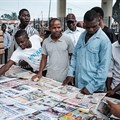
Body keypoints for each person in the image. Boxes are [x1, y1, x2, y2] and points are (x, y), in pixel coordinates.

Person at [63, 10, 112, 94]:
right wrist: (70, 73)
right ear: (84, 23)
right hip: (79, 85)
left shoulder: (104, 41)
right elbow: (75, 56)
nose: (91, 29)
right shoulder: (82, 35)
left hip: (94, 89)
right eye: (87, 27)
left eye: (94, 26)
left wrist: (91, 87)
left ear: (99, 21)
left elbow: (103, 68)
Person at [32, 18, 74, 83]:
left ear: (61, 27)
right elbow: (44, 58)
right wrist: (40, 73)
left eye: (59, 27)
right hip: (50, 76)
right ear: (49, 28)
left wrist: (71, 74)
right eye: (54, 28)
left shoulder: (67, 40)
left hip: (65, 77)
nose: (57, 30)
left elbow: (73, 57)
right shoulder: (46, 42)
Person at [106, 33, 120, 99]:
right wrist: (109, 88)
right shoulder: (113, 47)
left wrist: (114, 90)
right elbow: (109, 70)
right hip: (114, 86)